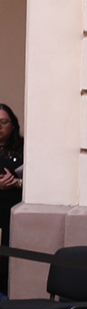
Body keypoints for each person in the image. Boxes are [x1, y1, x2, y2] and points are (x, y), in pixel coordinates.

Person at [0, 103, 20, 296]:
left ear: (12, 124)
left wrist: (18, 183)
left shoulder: (23, 149)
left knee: (7, 263)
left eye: (3, 122)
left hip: (11, 214)